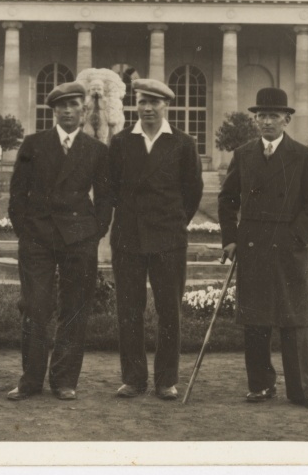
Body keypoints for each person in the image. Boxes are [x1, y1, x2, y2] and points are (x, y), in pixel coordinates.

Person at [217, 87, 308, 411]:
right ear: (255, 119)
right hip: (252, 245)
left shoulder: (303, 156)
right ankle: (261, 385)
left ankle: (301, 390)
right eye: (261, 115)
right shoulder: (243, 154)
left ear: (286, 119)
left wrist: (297, 238)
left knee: (293, 319)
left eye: (274, 115)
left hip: (287, 246)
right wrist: (230, 238)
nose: (267, 121)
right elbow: (227, 200)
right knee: (255, 318)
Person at [6, 81, 112, 401]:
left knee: (75, 309)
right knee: (35, 307)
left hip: (78, 238)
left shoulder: (96, 150)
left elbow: (106, 199)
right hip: (38, 237)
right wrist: (25, 232)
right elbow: (16, 194)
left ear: (84, 111)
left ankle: (64, 379)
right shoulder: (34, 144)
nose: (67, 111)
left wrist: (94, 233)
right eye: (60, 106)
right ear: (52, 111)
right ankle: (31, 380)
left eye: (73, 105)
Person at [108, 78, 204, 401]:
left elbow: (193, 193)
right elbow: (110, 190)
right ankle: (133, 379)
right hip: (128, 240)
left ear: (166, 105)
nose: (147, 108)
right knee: (129, 310)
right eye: (142, 102)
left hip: (168, 240)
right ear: (135, 105)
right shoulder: (121, 142)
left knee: (169, 311)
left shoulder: (183, 144)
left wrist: (173, 223)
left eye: (155, 102)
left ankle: (166, 380)